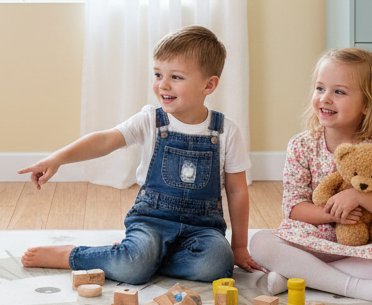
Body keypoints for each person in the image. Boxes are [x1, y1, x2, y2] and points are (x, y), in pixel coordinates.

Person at [19, 26, 262, 284]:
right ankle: (75, 255)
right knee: (135, 268)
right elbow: (105, 140)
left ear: (209, 84)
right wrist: (57, 158)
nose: (163, 84)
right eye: (158, 74)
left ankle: (137, 257)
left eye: (176, 77)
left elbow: (237, 191)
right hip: (151, 222)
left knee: (217, 265)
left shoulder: (226, 131)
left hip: (202, 229)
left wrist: (238, 247)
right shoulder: (150, 120)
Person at [249, 48, 372, 305]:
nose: (325, 99)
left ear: (367, 104)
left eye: (339, 92)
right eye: (320, 88)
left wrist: (358, 196)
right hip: (314, 241)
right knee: (260, 243)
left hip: (366, 247)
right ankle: (359, 287)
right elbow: (294, 209)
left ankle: (301, 277)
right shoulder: (302, 145)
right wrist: (333, 215)